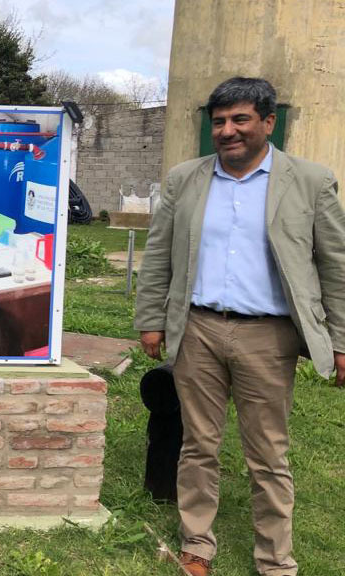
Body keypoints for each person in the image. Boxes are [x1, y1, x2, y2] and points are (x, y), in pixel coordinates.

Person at [135, 77, 345, 576]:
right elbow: (159, 255)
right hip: (198, 331)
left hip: (268, 337)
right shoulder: (185, 179)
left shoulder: (310, 182)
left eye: (240, 120)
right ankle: (196, 545)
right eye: (220, 121)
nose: (228, 131)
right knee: (197, 444)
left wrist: (341, 340)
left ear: (268, 123)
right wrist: (150, 321)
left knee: (268, 453)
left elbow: (336, 266)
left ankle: (274, 559)